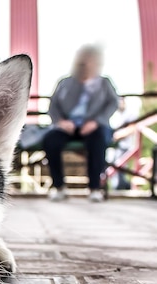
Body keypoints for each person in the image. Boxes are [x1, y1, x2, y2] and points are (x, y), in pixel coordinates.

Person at [42, 45, 118, 202]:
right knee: (50, 141)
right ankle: (59, 187)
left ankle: (95, 188)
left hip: (94, 127)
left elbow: (113, 103)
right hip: (68, 127)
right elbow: (53, 106)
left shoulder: (104, 83)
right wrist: (61, 122)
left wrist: (96, 122)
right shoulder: (64, 83)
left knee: (98, 142)